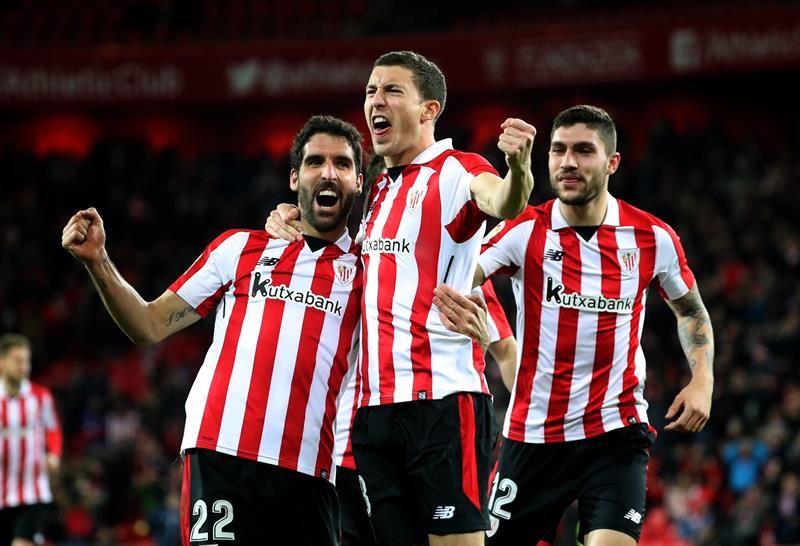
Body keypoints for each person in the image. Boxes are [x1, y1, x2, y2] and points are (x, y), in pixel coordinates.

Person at [267, 50, 536, 546]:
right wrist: (288, 219)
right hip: (373, 417)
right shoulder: (378, 197)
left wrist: (519, 169)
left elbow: (503, 200)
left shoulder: (455, 171)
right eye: (371, 90)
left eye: (392, 90)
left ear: (429, 110)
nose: (376, 101)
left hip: (440, 404)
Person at [62, 115, 366, 546]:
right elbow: (148, 324)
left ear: (358, 181)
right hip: (221, 455)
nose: (329, 172)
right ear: (295, 176)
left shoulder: (369, 271)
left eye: (343, 163)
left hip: (310, 470)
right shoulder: (239, 249)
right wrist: (98, 261)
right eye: (316, 161)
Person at [475, 105, 715, 546]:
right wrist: (499, 340)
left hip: (614, 434)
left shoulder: (651, 237)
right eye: (558, 150)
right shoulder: (523, 229)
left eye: (584, 151)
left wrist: (703, 379)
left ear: (612, 162)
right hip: (532, 435)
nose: (568, 162)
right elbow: (456, 275)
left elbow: (691, 311)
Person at [334, 279, 517, 546]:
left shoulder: (457, 264)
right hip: (346, 458)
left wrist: (523, 432)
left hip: (426, 443)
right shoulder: (356, 254)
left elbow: (507, 353)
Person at [0, 333, 62, 546]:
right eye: (17, 360)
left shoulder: (40, 396)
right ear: (2, 362)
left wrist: (53, 454)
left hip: (32, 492)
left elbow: (53, 430)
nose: (24, 366)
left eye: (27, 360)